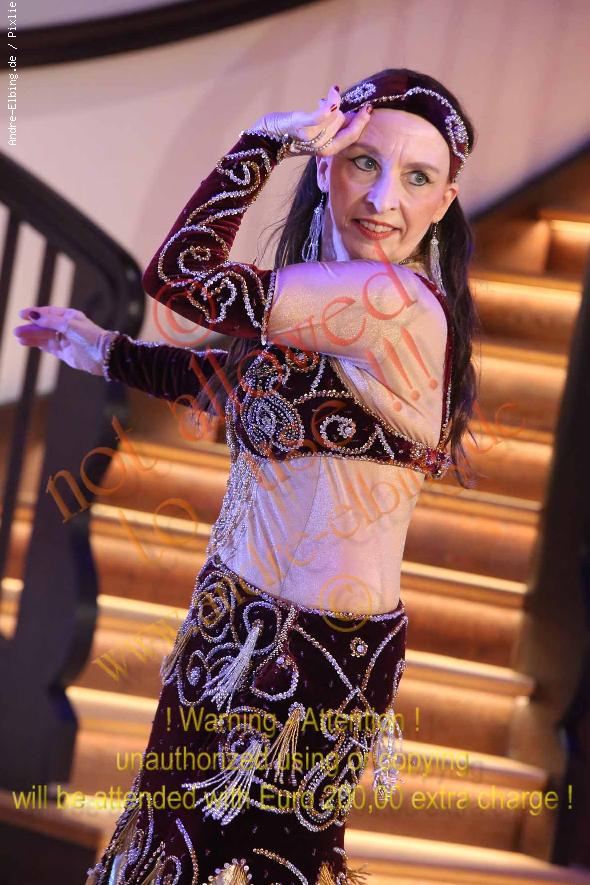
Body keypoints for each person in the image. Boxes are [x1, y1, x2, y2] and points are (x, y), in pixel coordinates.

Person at [13, 68, 478, 885]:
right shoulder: (322, 302)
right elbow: (241, 385)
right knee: (159, 854)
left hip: (316, 655)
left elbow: (180, 277)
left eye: (417, 178)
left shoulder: (392, 303)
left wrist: (269, 138)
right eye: (364, 162)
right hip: (227, 620)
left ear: (444, 203)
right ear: (329, 167)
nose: (383, 199)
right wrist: (102, 349)